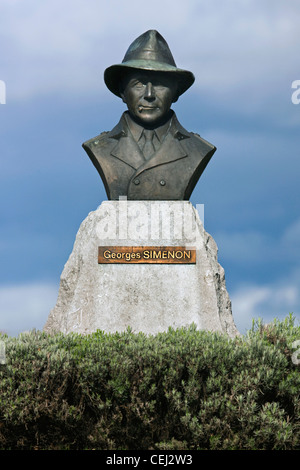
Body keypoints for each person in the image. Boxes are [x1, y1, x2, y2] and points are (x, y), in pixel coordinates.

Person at [82, 30, 216, 200]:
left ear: (176, 93)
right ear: (123, 92)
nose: (149, 94)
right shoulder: (99, 146)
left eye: (160, 84)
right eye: (139, 84)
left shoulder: (198, 148)